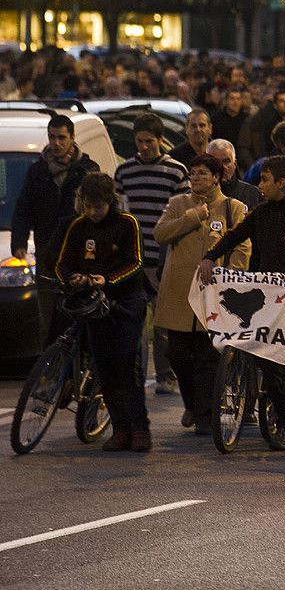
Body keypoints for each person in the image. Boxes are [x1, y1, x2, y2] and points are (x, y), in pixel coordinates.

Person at [199, 156, 285, 451]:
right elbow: (234, 236)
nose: (260, 186)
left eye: (265, 180)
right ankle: (270, 407)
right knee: (268, 363)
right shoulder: (261, 213)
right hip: (266, 298)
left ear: (281, 183)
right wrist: (209, 256)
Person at [153, 154, 249, 436]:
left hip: (215, 295)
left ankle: (206, 414)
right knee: (179, 354)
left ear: (217, 177)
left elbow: (242, 246)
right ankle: (193, 404)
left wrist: (231, 275)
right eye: (193, 173)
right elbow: (161, 234)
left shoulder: (233, 207)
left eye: (202, 173)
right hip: (180, 292)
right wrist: (192, 217)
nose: (196, 178)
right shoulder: (178, 204)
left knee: (209, 357)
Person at [54, 173, 149, 451]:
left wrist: (107, 279)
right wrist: (72, 278)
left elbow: (136, 262)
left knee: (126, 365)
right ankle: (120, 429)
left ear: (109, 201)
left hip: (126, 302)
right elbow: (63, 263)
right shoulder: (78, 226)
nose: (92, 212)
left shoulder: (127, 223)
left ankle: (140, 429)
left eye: (97, 206)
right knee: (104, 365)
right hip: (93, 304)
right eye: (87, 206)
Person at [114, 112, 191, 396]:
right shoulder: (125, 172)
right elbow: (120, 211)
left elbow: (185, 215)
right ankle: (132, 374)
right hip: (133, 257)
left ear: (160, 140)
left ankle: (164, 375)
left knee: (162, 323)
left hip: (163, 257)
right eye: (139, 141)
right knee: (131, 320)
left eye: (149, 141)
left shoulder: (176, 171)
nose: (144, 146)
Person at [11, 113, 101, 344]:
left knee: (80, 312)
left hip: (80, 255)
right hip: (48, 254)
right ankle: (51, 370)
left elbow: (100, 210)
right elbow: (23, 209)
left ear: (72, 138)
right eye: (52, 138)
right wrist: (19, 242)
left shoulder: (87, 171)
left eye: (62, 137)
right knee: (48, 316)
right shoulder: (37, 172)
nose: (57, 143)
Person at [208, 138, 262, 210]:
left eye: (226, 161)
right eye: (216, 162)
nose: (222, 167)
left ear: (235, 164)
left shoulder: (253, 194)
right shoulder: (196, 196)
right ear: (206, 165)